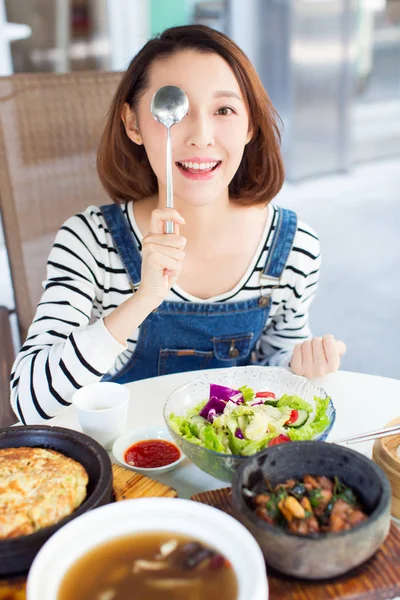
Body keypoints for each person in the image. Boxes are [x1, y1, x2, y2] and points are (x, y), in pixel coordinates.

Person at [10, 25, 346, 424]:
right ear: (133, 124)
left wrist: (301, 363)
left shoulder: (293, 248)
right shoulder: (89, 242)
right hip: (123, 470)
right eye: (176, 110)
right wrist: (142, 300)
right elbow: (29, 403)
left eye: (224, 110)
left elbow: (272, 360)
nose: (201, 136)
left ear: (250, 125)